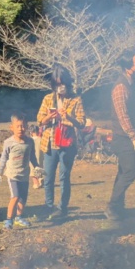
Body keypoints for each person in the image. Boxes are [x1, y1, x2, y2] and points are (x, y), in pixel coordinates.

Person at [36, 66, 85, 221]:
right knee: (48, 177)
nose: (60, 87)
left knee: (64, 177)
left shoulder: (76, 99)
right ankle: (48, 206)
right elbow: (39, 121)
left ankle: (62, 208)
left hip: (67, 144)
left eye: (62, 83)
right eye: (57, 84)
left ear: (67, 82)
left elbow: (82, 123)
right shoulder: (48, 99)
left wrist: (68, 117)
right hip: (49, 144)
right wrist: (49, 117)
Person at [106, 51, 135, 220]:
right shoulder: (121, 87)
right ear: (128, 67)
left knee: (123, 171)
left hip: (129, 136)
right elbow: (123, 116)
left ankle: (119, 208)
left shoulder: (133, 83)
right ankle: (112, 206)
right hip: (123, 138)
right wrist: (134, 136)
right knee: (130, 172)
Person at [0, 114, 39, 229]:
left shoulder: (30, 141)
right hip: (12, 174)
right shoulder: (8, 142)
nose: (21, 128)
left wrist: (37, 168)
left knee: (23, 197)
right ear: (12, 127)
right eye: (18, 126)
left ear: (27, 127)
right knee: (15, 196)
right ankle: (8, 219)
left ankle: (19, 217)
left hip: (24, 174)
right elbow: (3, 158)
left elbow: (33, 157)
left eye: (23, 126)